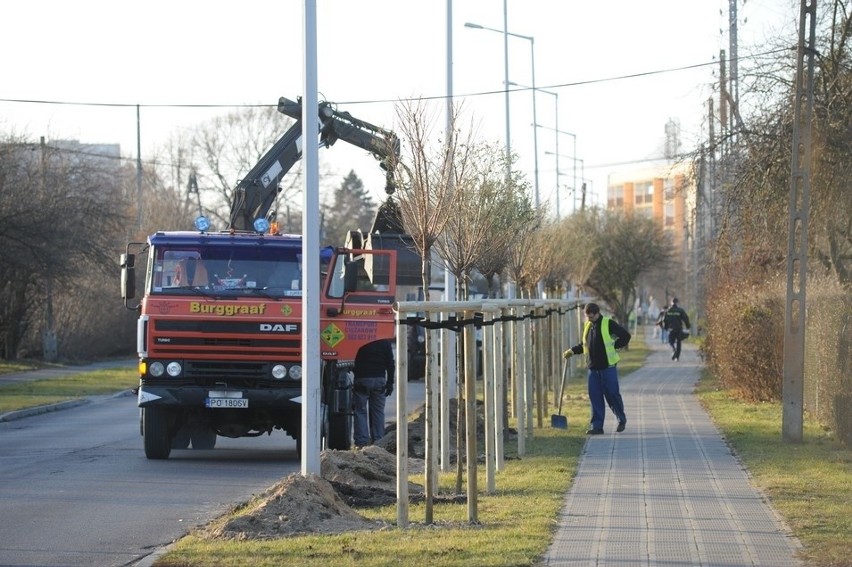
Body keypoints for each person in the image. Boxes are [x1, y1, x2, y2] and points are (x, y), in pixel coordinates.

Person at [563, 302, 632, 435]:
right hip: (593, 369)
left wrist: (615, 346)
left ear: (597, 313)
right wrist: (572, 351)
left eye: (591, 317)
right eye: (587, 317)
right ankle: (597, 426)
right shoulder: (588, 326)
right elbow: (584, 345)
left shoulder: (608, 323)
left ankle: (621, 419)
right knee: (595, 397)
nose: (589, 319)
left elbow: (626, 336)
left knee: (612, 394)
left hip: (608, 367)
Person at [352, 339, 395, 447]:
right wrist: (390, 383)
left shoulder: (359, 340)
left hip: (362, 380)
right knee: (378, 412)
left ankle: (361, 443)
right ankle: (379, 442)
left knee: (360, 411)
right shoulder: (384, 342)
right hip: (379, 380)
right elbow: (390, 364)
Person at [664, 297, 691, 361]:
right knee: (679, 342)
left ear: (671, 303)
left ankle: (673, 348)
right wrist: (688, 326)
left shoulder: (668, 311)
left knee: (671, 341)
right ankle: (677, 357)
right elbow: (686, 318)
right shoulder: (680, 310)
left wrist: (666, 327)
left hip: (671, 329)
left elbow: (665, 320)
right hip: (679, 329)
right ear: (677, 302)